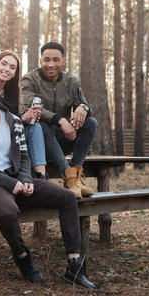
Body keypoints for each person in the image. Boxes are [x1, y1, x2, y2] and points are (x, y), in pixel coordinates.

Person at [0, 70, 95, 289]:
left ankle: (74, 266)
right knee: (9, 211)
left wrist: (25, 179)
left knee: (68, 197)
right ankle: (22, 257)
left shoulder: (12, 120)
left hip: (17, 179)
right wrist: (12, 184)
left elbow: (23, 155)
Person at [21, 41, 97, 199]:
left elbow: (85, 107)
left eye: (56, 60)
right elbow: (32, 108)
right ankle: (68, 175)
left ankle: (76, 172)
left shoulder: (72, 81)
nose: (51, 64)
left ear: (63, 61)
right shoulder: (29, 79)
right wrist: (61, 120)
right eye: (46, 60)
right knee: (41, 124)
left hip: (62, 141)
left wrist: (83, 107)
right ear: (40, 61)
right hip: (39, 142)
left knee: (91, 123)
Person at [0, 50, 47, 179]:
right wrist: (21, 118)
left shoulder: (13, 91)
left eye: (12, 67)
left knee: (35, 127)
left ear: (14, 73)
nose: (7, 69)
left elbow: (12, 116)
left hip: (10, 135)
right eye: (3, 64)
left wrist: (27, 117)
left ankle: (41, 176)